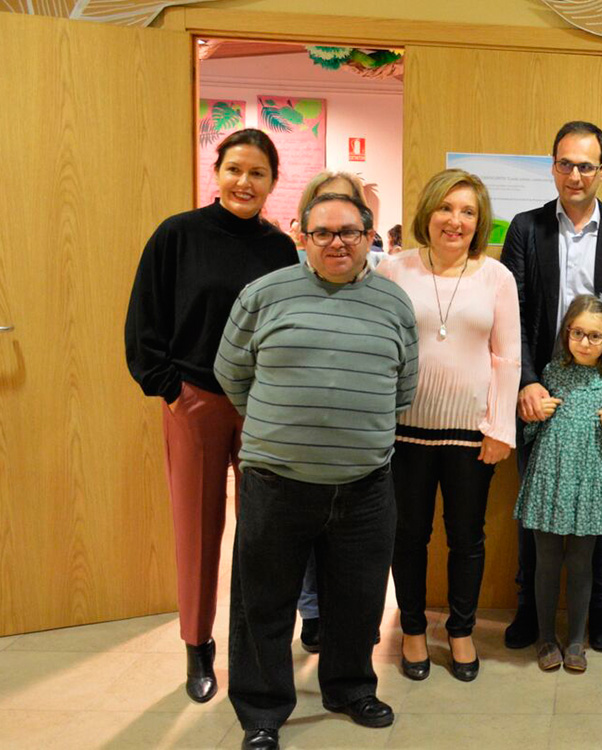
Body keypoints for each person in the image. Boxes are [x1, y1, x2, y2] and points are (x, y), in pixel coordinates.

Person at [215, 192, 417, 750]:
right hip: (276, 482)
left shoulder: (394, 304)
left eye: (349, 232)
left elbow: (404, 387)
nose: (337, 243)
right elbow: (231, 372)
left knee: (358, 600)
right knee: (264, 602)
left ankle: (350, 688)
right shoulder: (264, 295)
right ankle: (261, 710)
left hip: (366, 484)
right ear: (302, 234)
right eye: (323, 232)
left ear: (368, 235)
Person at [123, 128, 297, 704]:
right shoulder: (178, 235)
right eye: (235, 170)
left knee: (261, 530)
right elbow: (145, 321)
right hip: (194, 398)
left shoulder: (278, 248)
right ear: (216, 172)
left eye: (258, 174)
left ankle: (252, 644)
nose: (245, 182)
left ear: (273, 183)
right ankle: (197, 645)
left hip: (262, 405)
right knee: (197, 528)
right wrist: (169, 389)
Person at [500, 121, 602, 652]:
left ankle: (600, 610)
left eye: (587, 165)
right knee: (535, 504)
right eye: (566, 163)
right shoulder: (525, 228)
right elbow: (511, 314)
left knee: (599, 507)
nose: (576, 174)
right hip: (542, 392)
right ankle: (530, 610)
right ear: (553, 166)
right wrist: (526, 382)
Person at [378, 169, 520, 682]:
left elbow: (507, 358)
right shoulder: (394, 270)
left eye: (467, 212)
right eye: (446, 208)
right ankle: (412, 630)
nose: (454, 220)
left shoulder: (496, 276)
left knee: (467, 537)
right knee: (408, 536)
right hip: (403, 432)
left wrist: (500, 427)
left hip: (471, 435)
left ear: (478, 222)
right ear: (428, 213)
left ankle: (461, 631)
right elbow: (379, 350)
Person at [514, 294, 602, 673]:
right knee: (544, 563)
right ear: (566, 333)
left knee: (581, 564)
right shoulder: (551, 372)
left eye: (594, 336)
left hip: (591, 483)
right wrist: (534, 416)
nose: (584, 343)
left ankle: (575, 641)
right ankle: (545, 639)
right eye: (577, 333)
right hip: (549, 479)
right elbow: (529, 427)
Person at [288, 168, 375, 652]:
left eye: (348, 216)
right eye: (325, 220)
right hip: (300, 441)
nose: (337, 234)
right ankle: (312, 611)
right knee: (305, 540)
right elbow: (238, 369)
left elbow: (402, 373)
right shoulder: (282, 284)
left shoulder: (382, 283)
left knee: (350, 543)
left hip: (358, 442)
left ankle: (348, 619)